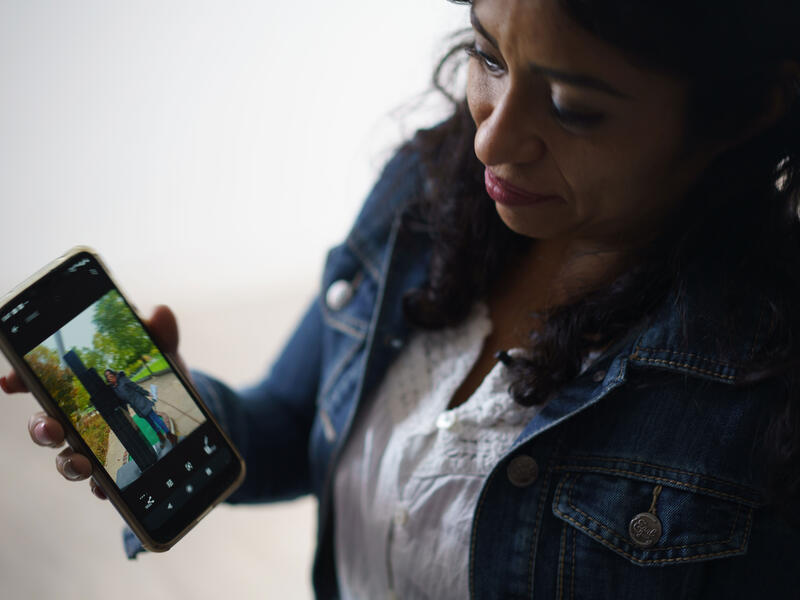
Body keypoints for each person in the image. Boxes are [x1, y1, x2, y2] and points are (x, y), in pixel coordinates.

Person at [5, 0, 800, 597]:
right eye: (488, 57)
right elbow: (289, 426)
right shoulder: (425, 195)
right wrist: (174, 408)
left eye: (572, 108)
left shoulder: (769, 378)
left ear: (743, 112)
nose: (491, 136)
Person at [104, 368, 177, 448]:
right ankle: (161, 437)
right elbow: (123, 401)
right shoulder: (114, 389)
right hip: (136, 407)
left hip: (141, 402)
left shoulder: (122, 380)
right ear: (107, 379)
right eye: (107, 376)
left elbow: (136, 387)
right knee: (150, 422)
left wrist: (147, 393)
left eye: (110, 374)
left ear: (114, 374)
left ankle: (171, 436)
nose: (109, 377)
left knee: (155, 418)